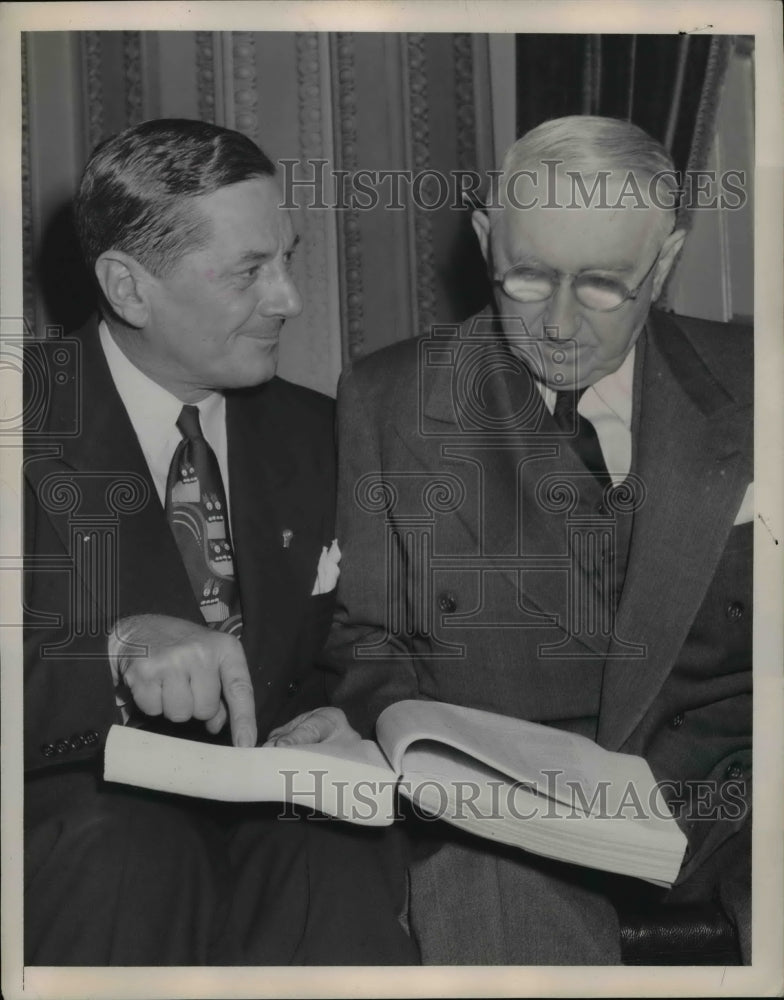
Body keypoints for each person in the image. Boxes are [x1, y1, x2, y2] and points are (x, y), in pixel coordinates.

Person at [275, 115, 753, 963]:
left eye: (605, 286)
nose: (560, 325)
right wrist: (424, 753)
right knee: (483, 888)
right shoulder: (390, 399)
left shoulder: (758, 387)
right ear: (486, 239)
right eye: (527, 279)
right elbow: (366, 639)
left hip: (733, 797)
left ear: (668, 260)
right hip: (507, 818)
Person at [23, 118, 416, 966]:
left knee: (341, 852)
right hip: (80, 837)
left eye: (287, 257)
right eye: (249, 272)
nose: (289, 299)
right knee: (130, 851)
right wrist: (116, 648)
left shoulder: (327, 435)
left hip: (277, 827)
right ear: (128, 289)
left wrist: (348, 720)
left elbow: (370, 643)